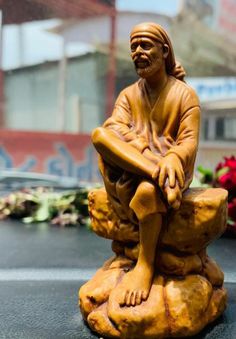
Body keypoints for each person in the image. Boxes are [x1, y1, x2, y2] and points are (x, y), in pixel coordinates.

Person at [92, 22, 200, 307]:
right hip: (144, 167)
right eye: (133, 47)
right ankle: (154, 172)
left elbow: (188, 142)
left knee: (147, 193)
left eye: (145, 45)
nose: (137, 52)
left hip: (172, 170)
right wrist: (149, 157)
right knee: (100, 135)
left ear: (164, 51)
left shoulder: (184, 95)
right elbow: (113, 128)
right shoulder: (128, 95)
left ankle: (145, 265)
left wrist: (173, 157)